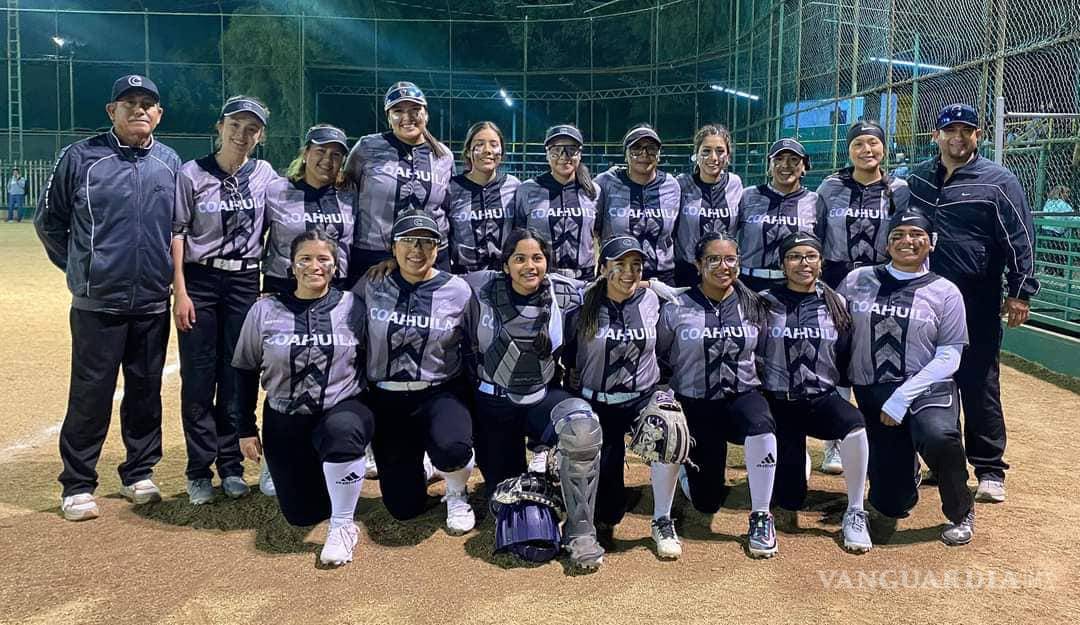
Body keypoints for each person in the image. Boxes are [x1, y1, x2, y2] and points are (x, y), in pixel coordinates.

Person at [35, 74, 181, 521]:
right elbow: (49, 221)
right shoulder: (81, 157)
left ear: (159, 114)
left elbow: (178, 228)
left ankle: (139, 472)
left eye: (147, 104)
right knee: (91, 394)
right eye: (129, 102)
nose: (139, 109)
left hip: (152, 301)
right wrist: (82, 269)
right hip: (98, 303)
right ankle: (78, 483)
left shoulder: (170, 162)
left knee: (145, 391)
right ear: (111, 111)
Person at [908, 103, 1039, 503]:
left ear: (977, 136)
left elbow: (1021, 238)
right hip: (924, 298)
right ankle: (940, 460)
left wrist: (1020, 292)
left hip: (976, 297)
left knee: (978, 382)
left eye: (966, 130)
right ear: (936, 135)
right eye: (950, 130)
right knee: (927, 379)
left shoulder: (998, 181)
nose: (958, 138)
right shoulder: (918, 178)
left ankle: (989, 469)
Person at [464, 228, 604, 569]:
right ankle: (539, 477)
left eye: (537, 258)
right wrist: (387, 266)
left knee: (582, 429)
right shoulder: (478, 288)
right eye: (520, 259)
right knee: (511, 499)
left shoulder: (563, 292)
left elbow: (611, 282)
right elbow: (427, 277)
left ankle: (580, 533)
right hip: (494, 405)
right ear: (506, 264)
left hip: (541, 397)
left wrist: (648, 283)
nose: (530, 266)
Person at [232, 229, 373, 566]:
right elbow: (244, 369)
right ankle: (326, 479)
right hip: (286, 416)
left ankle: (343, 525)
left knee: (342, 431)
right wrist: (245, 429)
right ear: (291, 266)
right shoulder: (264, 310)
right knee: (301, 514)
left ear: (335, 266)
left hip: (341, 408)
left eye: (323, 259)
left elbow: (372, 363)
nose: (314, 266)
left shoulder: (353, 306)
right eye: (305, 259)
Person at [838, 209, 976, 546]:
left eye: (917, 235)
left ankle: (961, 510)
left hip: (927, 387)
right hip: (874, 391)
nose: (907, 241)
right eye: (898, 235)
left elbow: (950, 354)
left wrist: (902, 397)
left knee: (938, 435)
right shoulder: (858, 280)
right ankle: (906, 472)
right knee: (891, 503)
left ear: (932, 242)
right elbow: (837, 330)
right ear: (886, 244)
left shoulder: (945, 291)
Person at [172, 95, 276, 505]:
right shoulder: (192, 173)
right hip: (200, 280)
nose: (242, 134)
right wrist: (180, 290)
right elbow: (178, 233)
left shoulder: (264, 174)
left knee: (237, 375)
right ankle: (199, 469)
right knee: (199, 378)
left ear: (260, 136)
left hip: (244, 281)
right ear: (220, 127)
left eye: (252, 129)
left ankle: (231, 465)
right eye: (235, 125)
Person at [657, 232, 780, 558]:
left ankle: (761, 515)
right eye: (713, 259)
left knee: (760, 423)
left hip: (741, 396)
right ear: (698, 265)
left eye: (730, 259)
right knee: (707, 501)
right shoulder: (677, 307)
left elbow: (764, 353)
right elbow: (661, 354)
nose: (723, 266)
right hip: (695, 403)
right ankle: (689, 468)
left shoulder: (753, 304)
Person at [353, 211, 476, 534]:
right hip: (388, 400)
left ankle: (456, 491)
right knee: (403, 508)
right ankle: (421, 464)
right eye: (408, 240)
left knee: (452, 447)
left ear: (438, 248)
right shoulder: (373, 282)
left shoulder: (457, 290)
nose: (417, 249)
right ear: (393, 247)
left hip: (438, 393)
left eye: (426, 242)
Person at [562, 236, 682, 559]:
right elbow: (569, 358)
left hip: (640, 399)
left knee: (669, 426)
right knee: (610, 511)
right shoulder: (583, 304)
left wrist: (649, 284)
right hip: (598, 403)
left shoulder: (651, 300)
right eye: (620, 265)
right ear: (603, 268)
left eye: (636, 266)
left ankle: (662, 519)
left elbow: (665, 348)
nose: (629, 272)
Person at [759, 231, 872, 552]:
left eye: (810, 256)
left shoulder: (836, 302)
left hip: (819, 399)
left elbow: (845, 353)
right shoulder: (765, 301)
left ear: (821, 262)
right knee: (790, 499)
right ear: (783, 264)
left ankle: (855, 509)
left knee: (854, 425)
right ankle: (796, 460)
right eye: (794, 257)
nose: (803, 263)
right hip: (779, 403)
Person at [814, 120, 910, 474]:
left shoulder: (898, 189)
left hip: (880, 282)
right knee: (837, 358)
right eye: (858, 144)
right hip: (837, 280)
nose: (866, 150)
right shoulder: (831, 187)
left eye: (873, 143)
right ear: (849, 149)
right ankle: (835, 444)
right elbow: (815, 234)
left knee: (879, 356)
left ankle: (886, 442)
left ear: (884, 147)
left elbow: (908, 234)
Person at [344, 81, 453, 286]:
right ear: (388, 117)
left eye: (414, 110)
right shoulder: (367, 147)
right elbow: (345, 191)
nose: (407, 117)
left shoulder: (443, 155)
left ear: (426, 114)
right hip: (373, 254)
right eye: (398, 111)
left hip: (428, 255)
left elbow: (447, 206)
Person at [264, 124, 354, 295]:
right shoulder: (277, 190)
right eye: (320, 151)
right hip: (283, 286)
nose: (327, 160)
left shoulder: (349, 196)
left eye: (335, 154)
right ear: (305, 153)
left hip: (335, 288)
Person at [513, 124, 601, 281]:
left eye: (571, 150)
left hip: (584, 280)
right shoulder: (527, 189)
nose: (564, 156)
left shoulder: (594, 191)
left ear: (580, 154)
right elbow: (518, 233)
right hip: (541, 278)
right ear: (547, 154)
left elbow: (600, 232)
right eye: (556, 150)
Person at [595, 124, 680, 282]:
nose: (644, 154)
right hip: (618, 276)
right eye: (636, 149)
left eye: (651, 148)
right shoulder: (606, 182)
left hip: (662, 276)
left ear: (659, 154)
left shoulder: (671, 185)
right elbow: (593, 226)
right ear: (625, 154)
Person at [736, 138, 822, 293]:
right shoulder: (748, 196)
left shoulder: (814, 201)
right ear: (769, 166)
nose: (785, 165)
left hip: (794, 285)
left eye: (794, 159)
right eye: (778, 159)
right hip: (749, 284)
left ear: (804, 167)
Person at [444, 121, 521, 274]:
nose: (487, 150)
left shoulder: (514, 186)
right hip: (464, 278)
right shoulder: (452, 188)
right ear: (468, 151)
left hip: (506, 278)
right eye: (479, 144)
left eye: (494, 144)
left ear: (502, 151)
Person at [674, 124, 744, 287]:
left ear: (728, 156)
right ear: (696, 155)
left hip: (723, 272)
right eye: (706, 151)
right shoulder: (681, 184)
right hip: (687, 272)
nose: (713, 157)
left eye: (720, 151)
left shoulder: (735, 183)